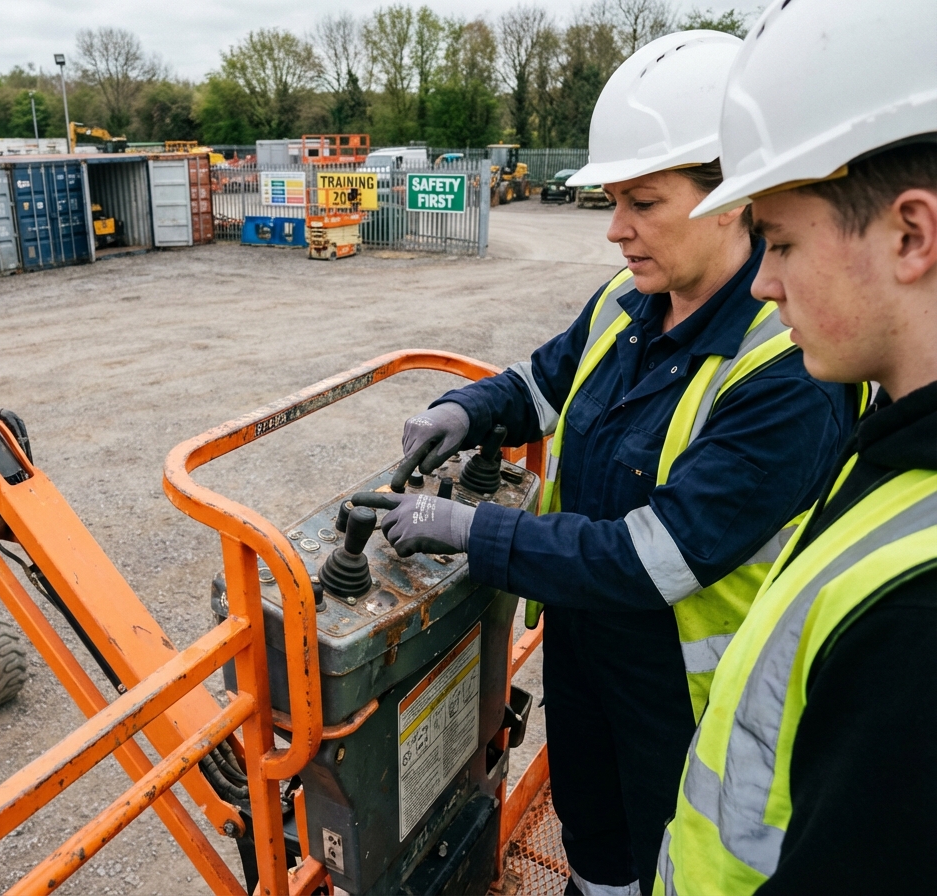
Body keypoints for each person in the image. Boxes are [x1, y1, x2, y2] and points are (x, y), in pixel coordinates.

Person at [377, 30, 863, 896]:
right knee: (592, 827)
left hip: (683, 693)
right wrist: (466, 409)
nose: (615, 231)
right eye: (612, 200)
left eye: (642, 201)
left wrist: (472, 529)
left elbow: (656, 556)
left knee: (663, 849)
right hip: (585, 642)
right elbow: (546, 379)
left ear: (733, 198)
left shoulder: (789, 366)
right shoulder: (631, 298)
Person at [649, 1, 937, 893]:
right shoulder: (892, 438)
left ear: (911, 235)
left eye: (779, 241)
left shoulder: (916, 618)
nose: (763, 281)